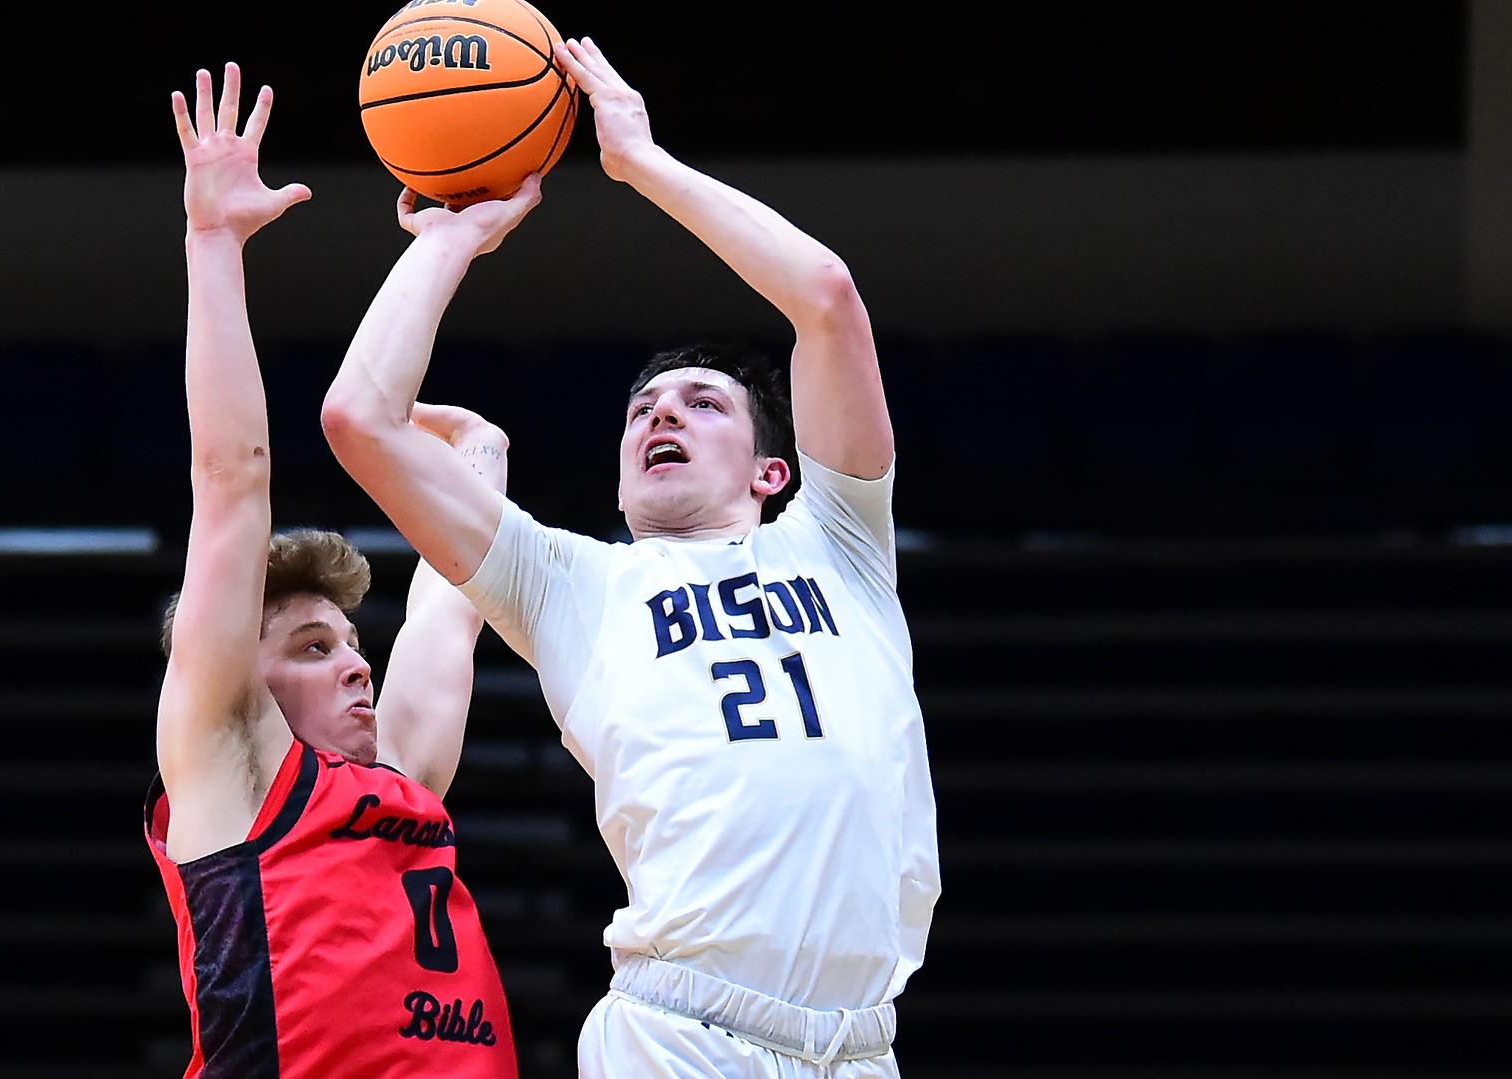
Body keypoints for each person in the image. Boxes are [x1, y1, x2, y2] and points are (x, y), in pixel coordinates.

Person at [319, 35, 939, 1079]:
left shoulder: (839, 543)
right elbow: (356, 418)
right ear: (617, 483)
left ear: (772, 472)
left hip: (861, 1044)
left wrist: (641, 162)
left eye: (703, 404)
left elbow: (825, 295)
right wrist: (450, 241)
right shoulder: (571, 582)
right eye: (643, 407)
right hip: (677, 1033)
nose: (664, 413)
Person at [144, 62, 520, 1078]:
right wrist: (213, 243)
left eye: (352, 643)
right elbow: (230, 480)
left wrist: (480, 451)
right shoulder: (230, 766)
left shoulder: (395, 774)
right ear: (239, 674)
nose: (359, 665)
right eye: (315, 645)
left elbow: (453, 606)